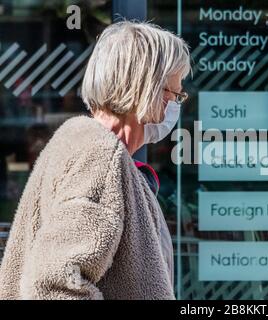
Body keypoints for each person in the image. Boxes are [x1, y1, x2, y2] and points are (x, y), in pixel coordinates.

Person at [0, 20, 191, 300]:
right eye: (174, 94)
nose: (174, 106)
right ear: (146, 90)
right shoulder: (98, 154)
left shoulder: (89, 148)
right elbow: (55, 284)